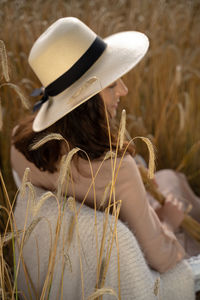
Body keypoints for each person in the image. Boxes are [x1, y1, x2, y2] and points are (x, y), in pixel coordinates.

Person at [11, 17, 186, 274]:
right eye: (112, 83)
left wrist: (136, 174)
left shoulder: (20, 144)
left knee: (172, 179)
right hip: (135, 249)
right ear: (87, 100)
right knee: (176, 184)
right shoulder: (118, 169)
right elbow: (162, 258)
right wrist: (170, 220)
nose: (124, 90)